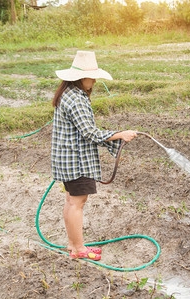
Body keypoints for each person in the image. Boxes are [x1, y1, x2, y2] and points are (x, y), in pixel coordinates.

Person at [51, 51, 137, 261]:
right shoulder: (77, 100)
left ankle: (74, 245)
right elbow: (89, 132)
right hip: (76, 161)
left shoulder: (69, 93)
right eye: (92, 76)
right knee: (76, 203)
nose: (95, 80)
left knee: (71, 201)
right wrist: (120, 135)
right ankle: (79, 249)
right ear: (81, 77)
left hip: (68, 159)